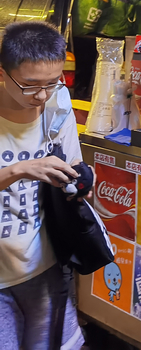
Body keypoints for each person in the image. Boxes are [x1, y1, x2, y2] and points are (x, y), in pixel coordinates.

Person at [0, 22, 86, 350]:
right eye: (30, 85)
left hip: (43, 265)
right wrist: (20, 169)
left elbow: (73, 168)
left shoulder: (58, 105)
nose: (41, 95)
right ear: (3, 73)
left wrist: (79, 182)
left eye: (52, 82)